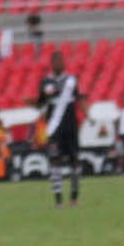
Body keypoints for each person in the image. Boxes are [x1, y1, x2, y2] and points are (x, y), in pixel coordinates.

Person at [35, 49, 81, 207]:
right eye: (56, 61)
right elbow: (40, 103)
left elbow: (78, 99)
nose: (59, 64)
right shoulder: (45, 82)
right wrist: (39, 105)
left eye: (61, 60)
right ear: (52, 64)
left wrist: (88, 116)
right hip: (54, 128)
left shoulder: (71, 80)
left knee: (74, 161)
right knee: (55, 160)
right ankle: (58, 199)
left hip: (70, 127)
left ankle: (74, 197)